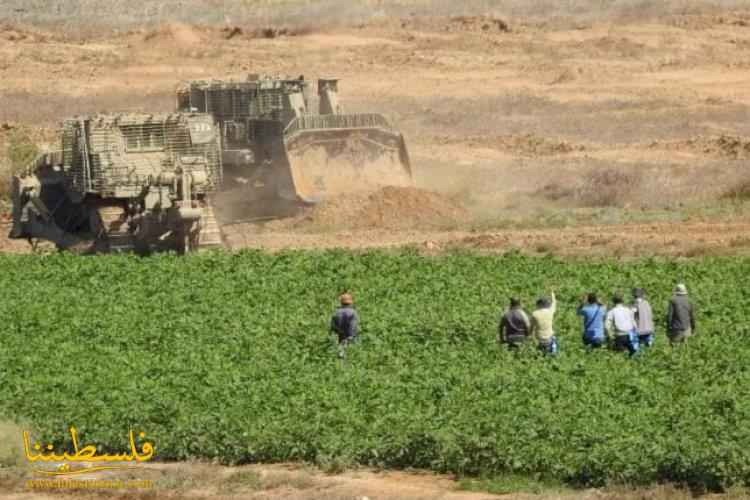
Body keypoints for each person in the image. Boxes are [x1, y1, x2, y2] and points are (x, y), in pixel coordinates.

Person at [530, 291, 559, 356]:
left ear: (539, 304)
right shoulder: (550, 311)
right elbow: (554, 304)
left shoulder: (534, 314)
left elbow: (531, 329)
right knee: (555, 347)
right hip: (549, 339)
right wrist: (552, 295)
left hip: (539, 340)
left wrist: (531, 338)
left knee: (539, 355)